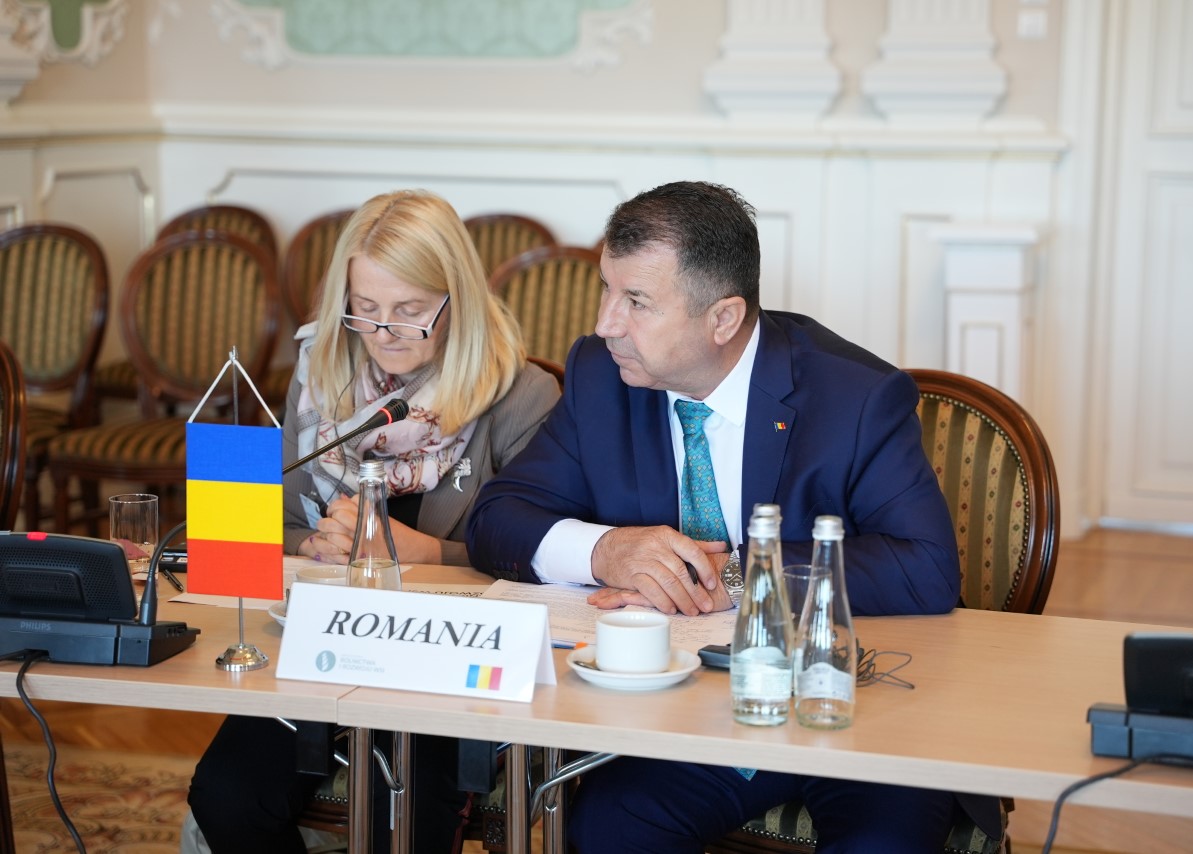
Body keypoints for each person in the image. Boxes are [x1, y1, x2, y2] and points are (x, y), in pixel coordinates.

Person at [466, 181, 1002, 851]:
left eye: (636, 302)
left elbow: (927, 567)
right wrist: (606, 551)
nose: (606, 324)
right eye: (607, 290)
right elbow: (496, 518)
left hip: (847, 700)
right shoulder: (602, 376)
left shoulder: (855, 395)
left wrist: (743, 577)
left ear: (723, 319)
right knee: (609, 827)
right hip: (686, 711)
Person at [187, 189, 561, 854]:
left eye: (410, 311)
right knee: (225, 795)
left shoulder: (521, 395)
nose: (383, 333)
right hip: (325, 640)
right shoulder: (321, 372)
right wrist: (322, 545)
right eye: (364, 307)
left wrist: (424, 553)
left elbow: (541, 558)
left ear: (458, 300)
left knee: (406, 819)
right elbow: (277, 524)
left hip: (449, 660)